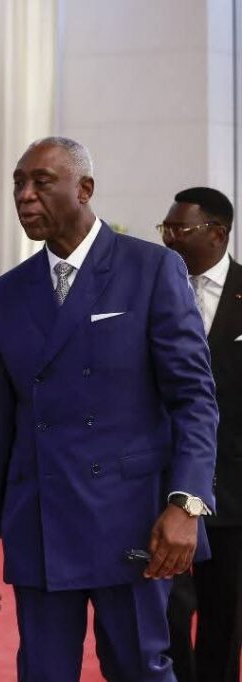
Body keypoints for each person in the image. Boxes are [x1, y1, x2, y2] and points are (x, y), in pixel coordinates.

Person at [0, 137, 219, 681]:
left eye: (41, 183)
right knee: (43, 673)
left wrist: (188, 503)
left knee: (139, 669)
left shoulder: (151, 268)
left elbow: (194, 399)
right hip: (40, 521)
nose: (25, 196)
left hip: (132, 522)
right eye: (18, 184)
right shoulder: (8, 291)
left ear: (84, 189)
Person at [161, 187, 242, 682]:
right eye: (166, 228)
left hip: (233, 492)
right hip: (164, 488)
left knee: (224, 619)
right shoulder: (154, 289)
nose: (170, 238)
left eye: (180, 229)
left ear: (217, 233)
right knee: (167, 612)